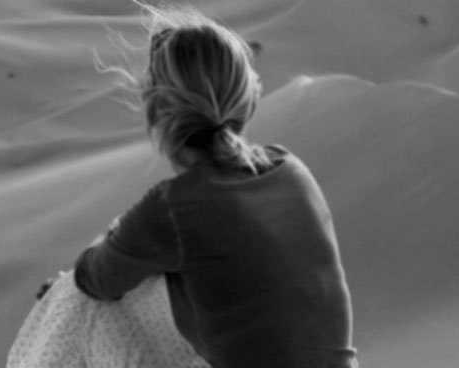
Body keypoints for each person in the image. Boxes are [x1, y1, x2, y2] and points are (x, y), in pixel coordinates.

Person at [69, 5, 357, 367]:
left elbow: (93, 279)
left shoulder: (174, 208)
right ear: (248, 100)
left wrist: (111, 239)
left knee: (78, 307)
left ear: (157, 109)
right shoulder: (290, 169)